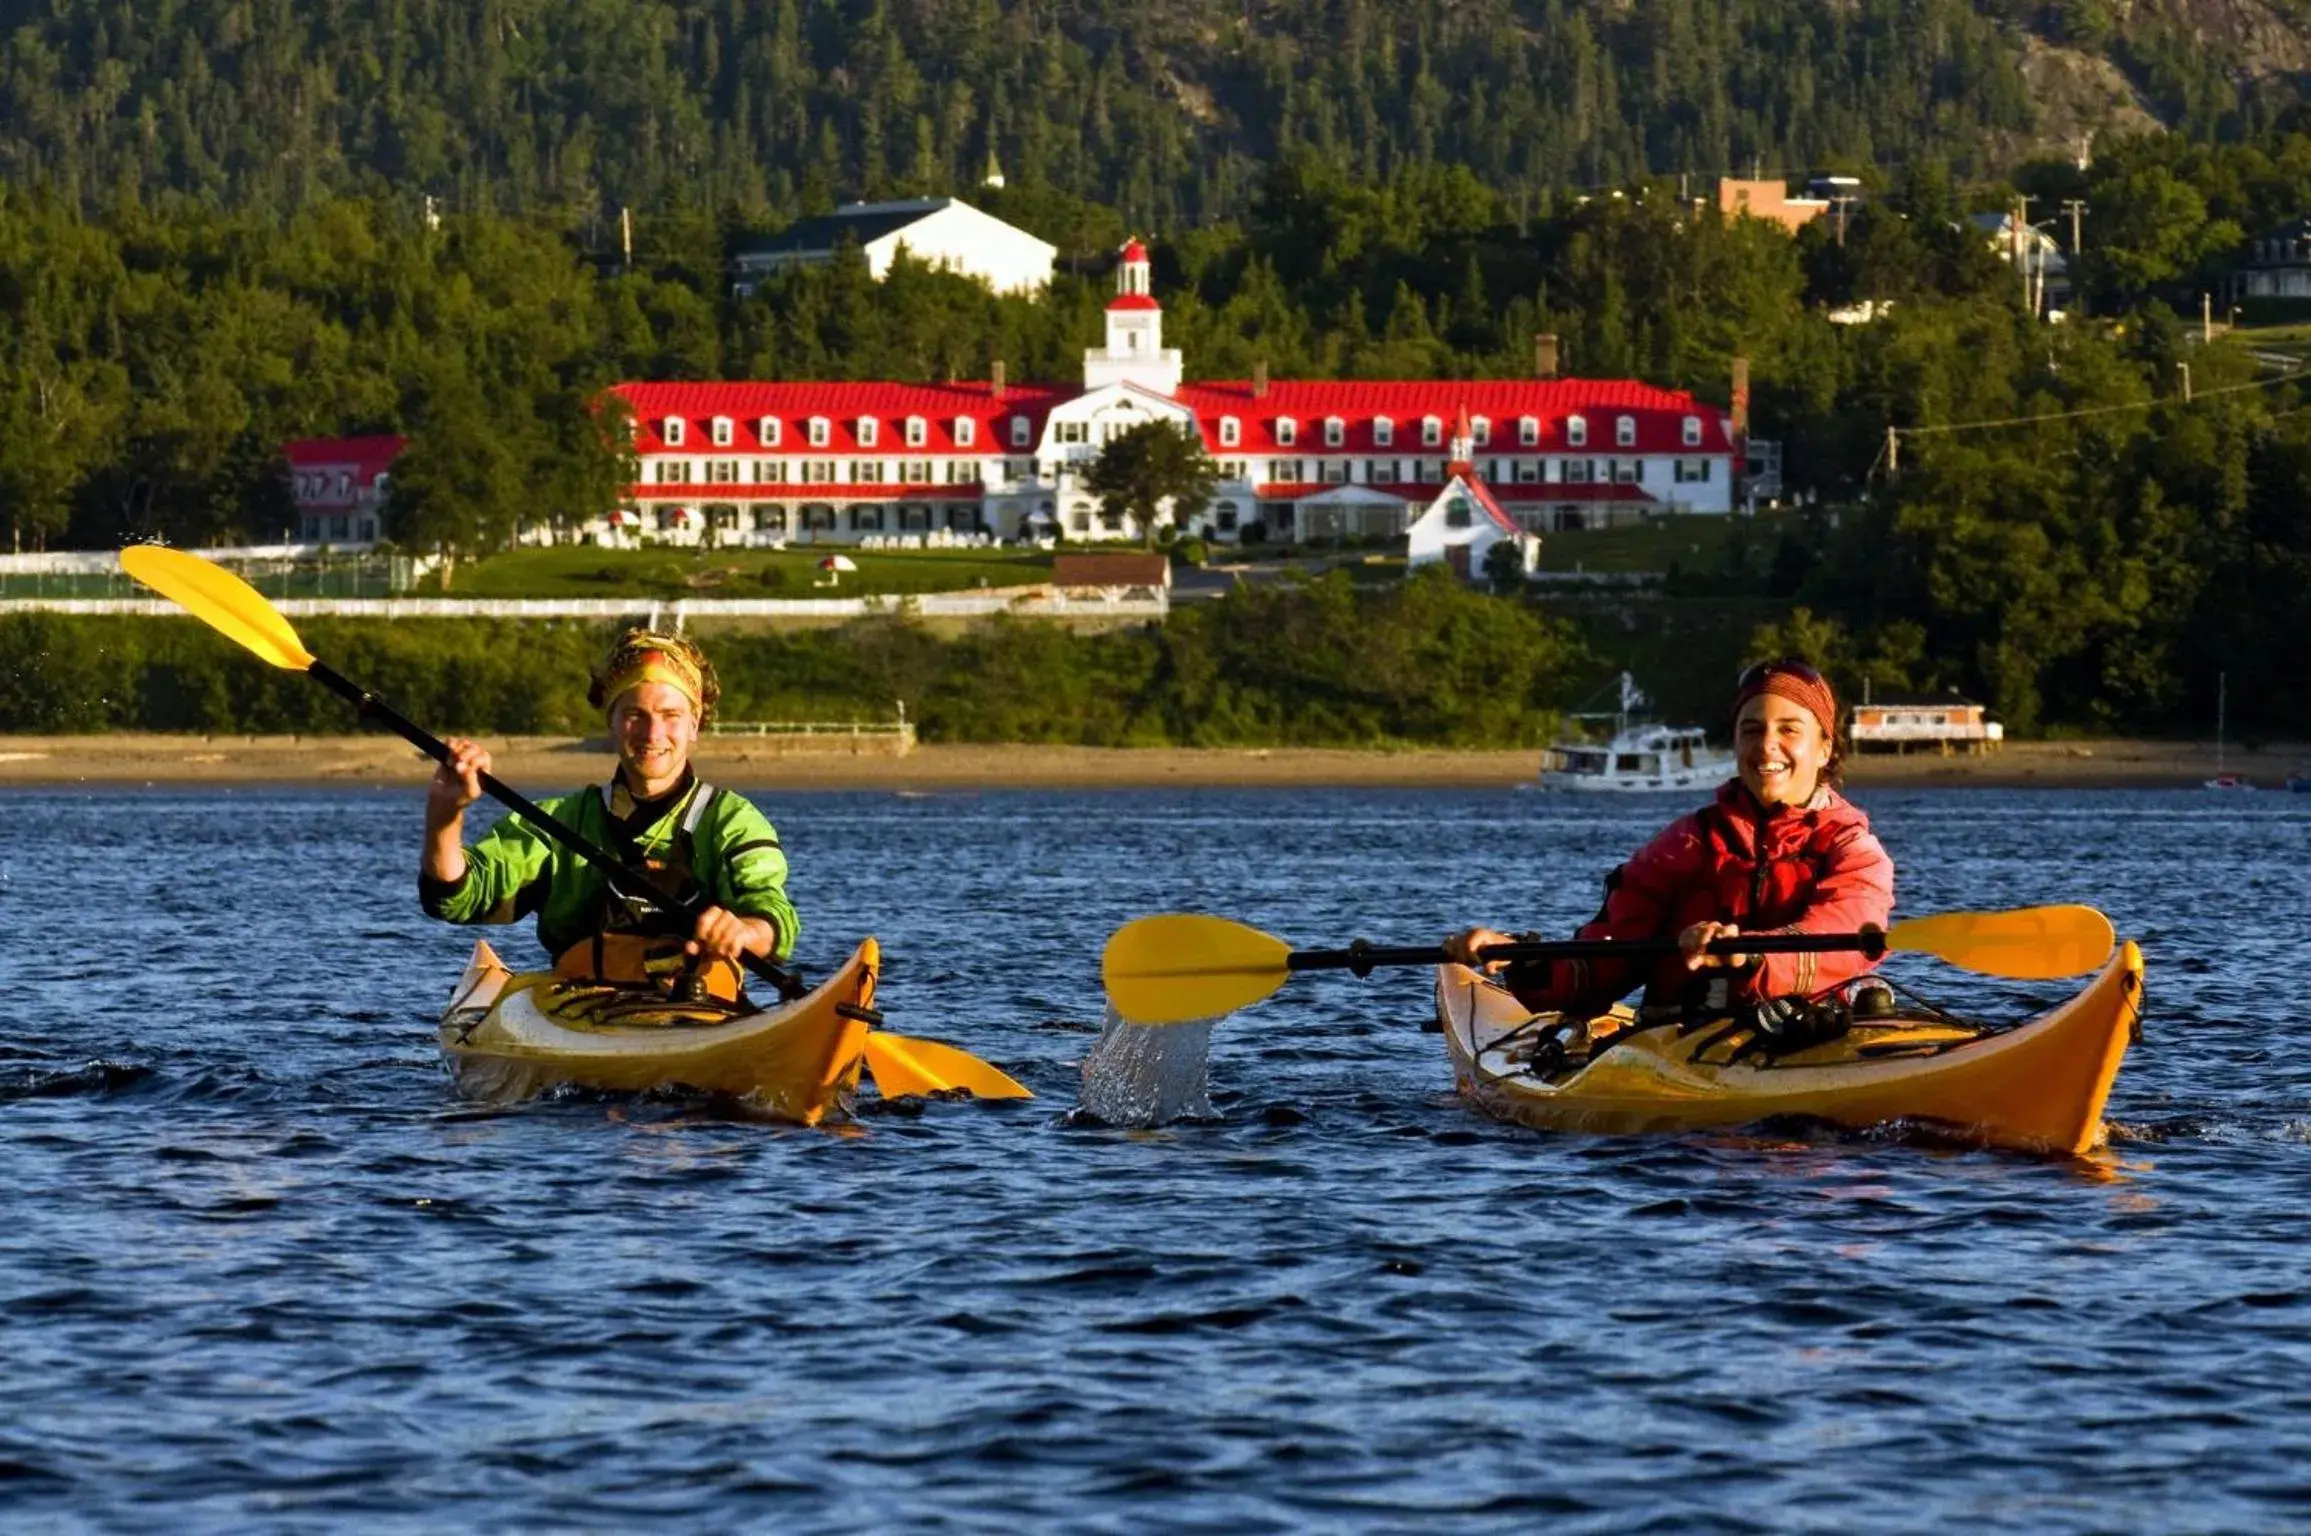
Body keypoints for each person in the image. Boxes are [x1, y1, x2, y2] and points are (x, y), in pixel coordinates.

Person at [1449, 658, 1893, 1022]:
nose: (1767, 746)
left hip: (1808, 1034)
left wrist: (1748, 955)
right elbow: (1606, 957)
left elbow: (1847, 931)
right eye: (1752, 730)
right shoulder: (1686, 844)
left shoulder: (1852, 848)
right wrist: (1525, 960)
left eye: (1789, 729)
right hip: (1681, 1046)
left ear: (1824, 748)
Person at [420, 627, 799, 998]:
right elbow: (458, 897)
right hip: (580, 1014)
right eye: (636, 715)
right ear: (612, 723)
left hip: (701, 1012)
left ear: (694, 725)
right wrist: (445, 817)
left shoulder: (732, 820)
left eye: (671, 715)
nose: (652, 734)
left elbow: (772, 913)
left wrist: (747, 932)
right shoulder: (559, 822)